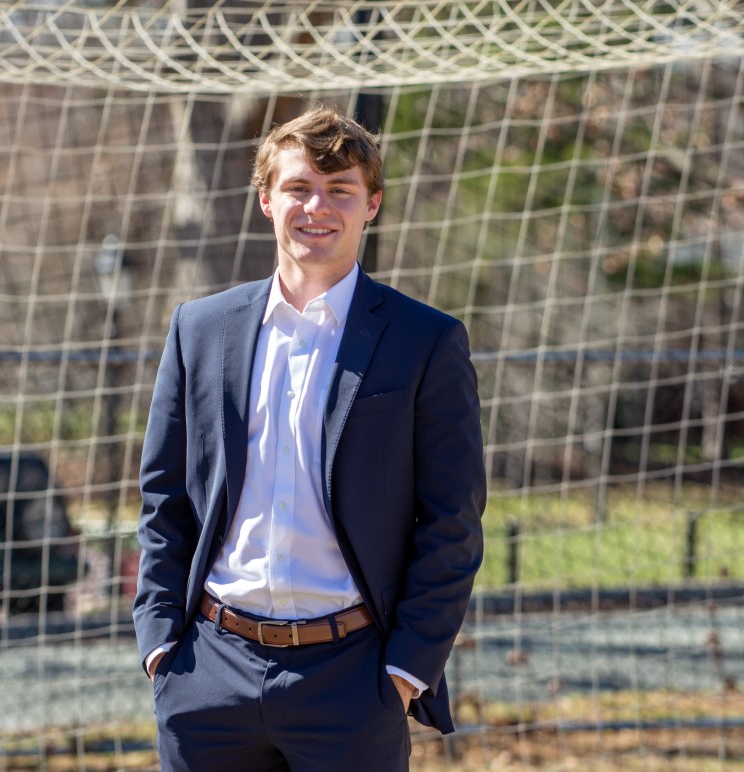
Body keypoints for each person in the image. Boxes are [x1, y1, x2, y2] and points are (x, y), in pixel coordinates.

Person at [133, 102, 486, 771]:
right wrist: (160, 645)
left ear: (371, 205)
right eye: (298, 187)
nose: (316, 206)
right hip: (208, 671)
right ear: (267, 200)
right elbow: (164, 498)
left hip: (353, 679)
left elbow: (454, 521)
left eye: (340, 190)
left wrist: (406, 671)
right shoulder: (200, 329)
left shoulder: (426, 341)